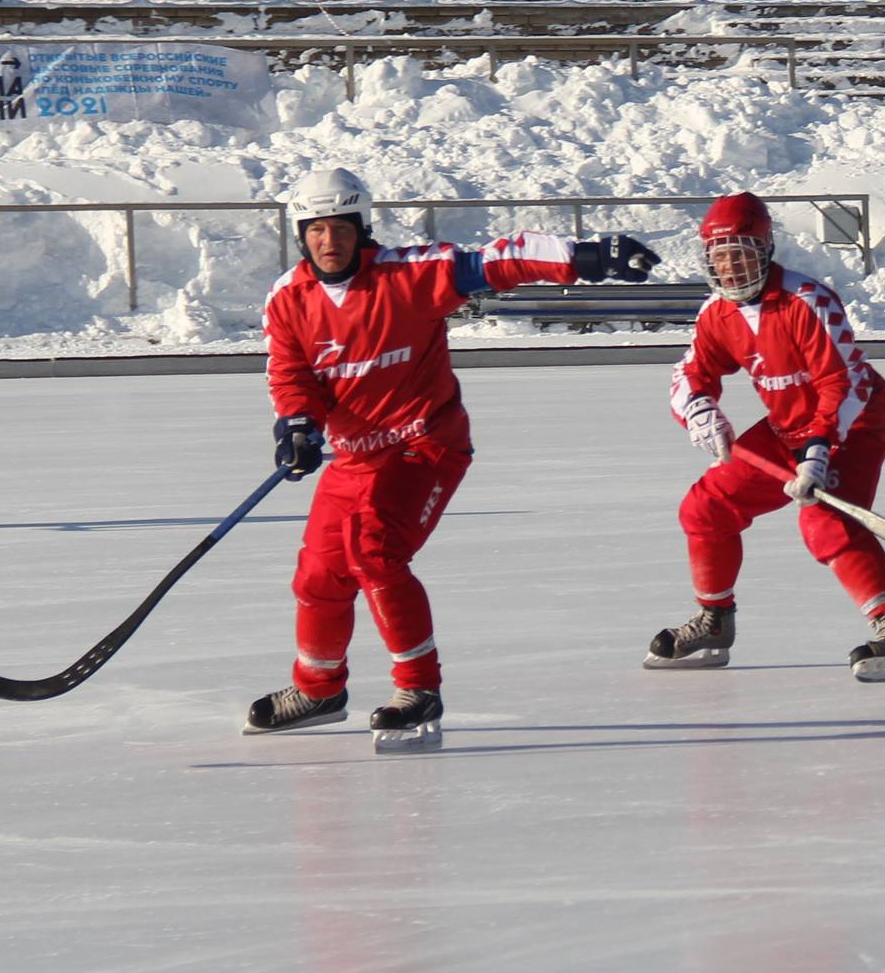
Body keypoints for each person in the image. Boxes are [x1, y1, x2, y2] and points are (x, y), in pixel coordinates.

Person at [243, 167, 659, 749]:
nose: (327, 242)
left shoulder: (407, 276)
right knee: (318, 577)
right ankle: (319, 690)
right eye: (315, 230)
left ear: (361, 229)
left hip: (425, 444)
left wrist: (584, 255)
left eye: (339, 228)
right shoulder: (289, 298)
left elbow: (499, 260)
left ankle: (418, 688)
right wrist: (297, 423)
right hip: (354, 458)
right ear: (300, 235)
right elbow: (290, 373)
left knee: (375, 551)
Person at [646, 191, 885, 682]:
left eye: (741, 254)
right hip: (790, 425)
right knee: (706, 506)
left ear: (765, 251)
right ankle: (715, 621)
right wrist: (699, 411)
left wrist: (818, 452)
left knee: (823, 521)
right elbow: (690, 374)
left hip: (855, 420)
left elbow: (839, 384)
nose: (732, 269)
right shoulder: (716, 314)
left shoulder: (808, 301)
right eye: (721, 257)